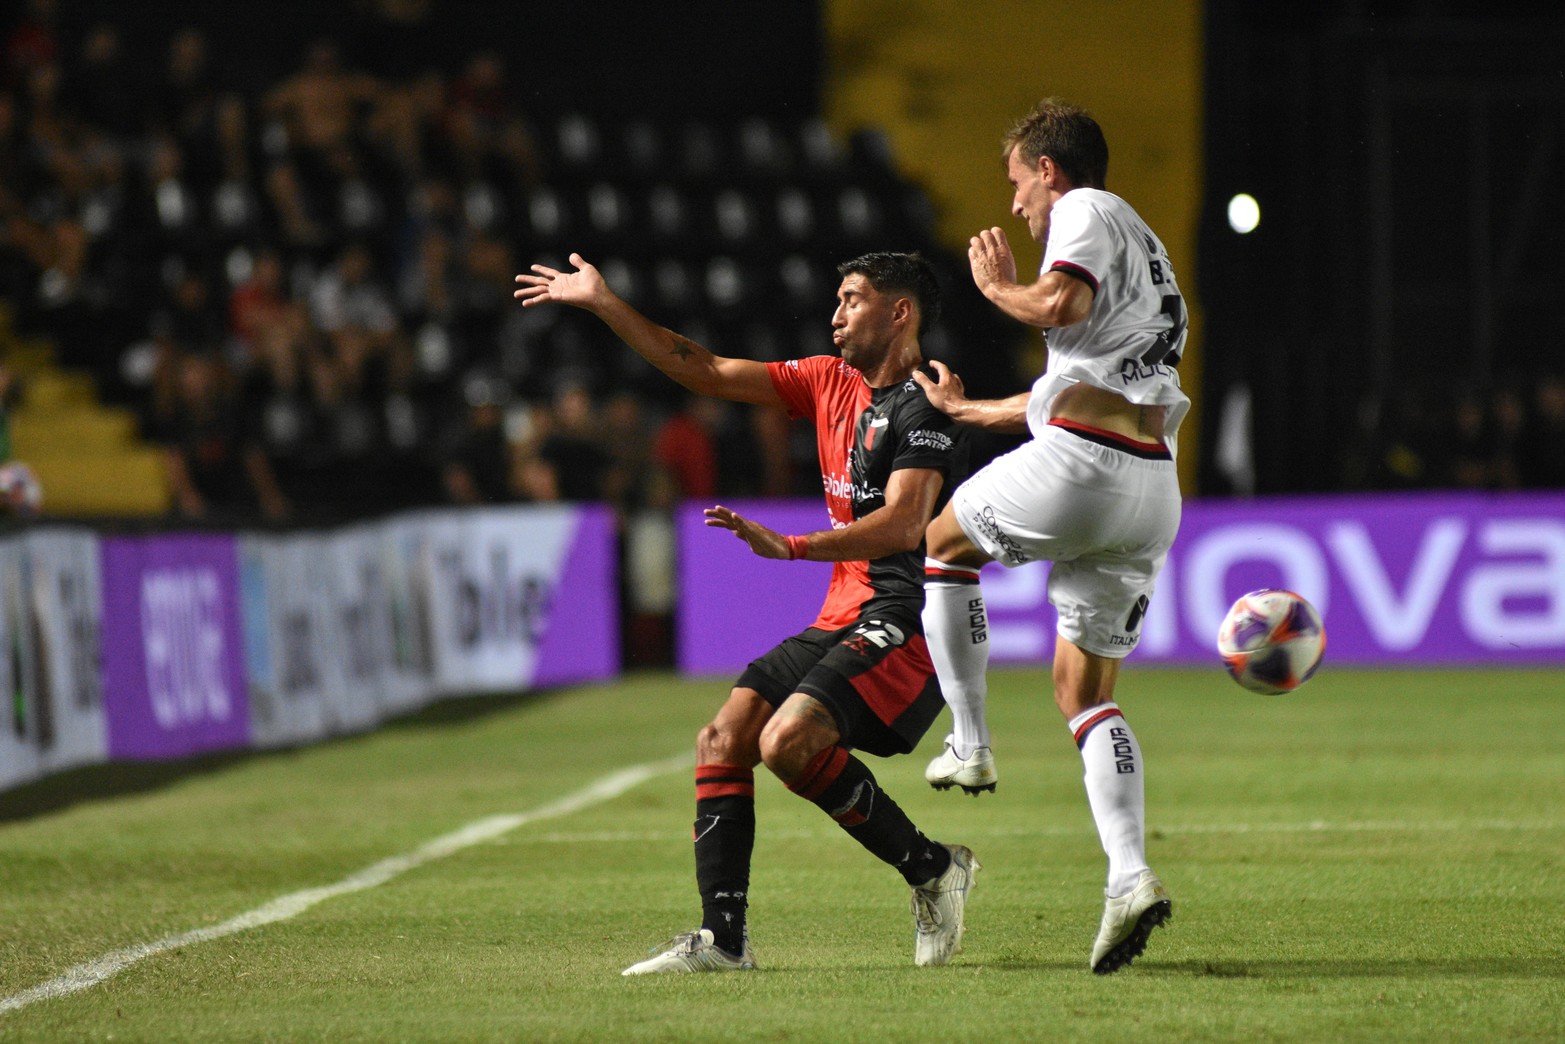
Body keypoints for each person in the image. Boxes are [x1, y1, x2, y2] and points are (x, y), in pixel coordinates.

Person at [515, 249, 978, 974]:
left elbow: (903, 524)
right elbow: (700, 368)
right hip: (840, 614)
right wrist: (606, 304)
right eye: (836, 298)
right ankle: (724, 940)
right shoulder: (825, 380)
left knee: (786, 741)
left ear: (900, 313)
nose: (835, 314)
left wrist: (793, 546)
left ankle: (931, 869)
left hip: (901, 615)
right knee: (722, 737)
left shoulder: (925, 404)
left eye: (852, 300)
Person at [914, 99, 1186, 974]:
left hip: (1088, 467)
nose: (1019, 210)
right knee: (1083, 692)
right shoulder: (1146, 248)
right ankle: (1129, 877)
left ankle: (969, 742)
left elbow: (1053, 300)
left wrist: (995, 289)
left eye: (1017, 186)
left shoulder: (1085, 211)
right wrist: (969, 410)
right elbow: (1077, 382)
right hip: (1149, 486)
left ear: (1048, 170)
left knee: (942, 542)